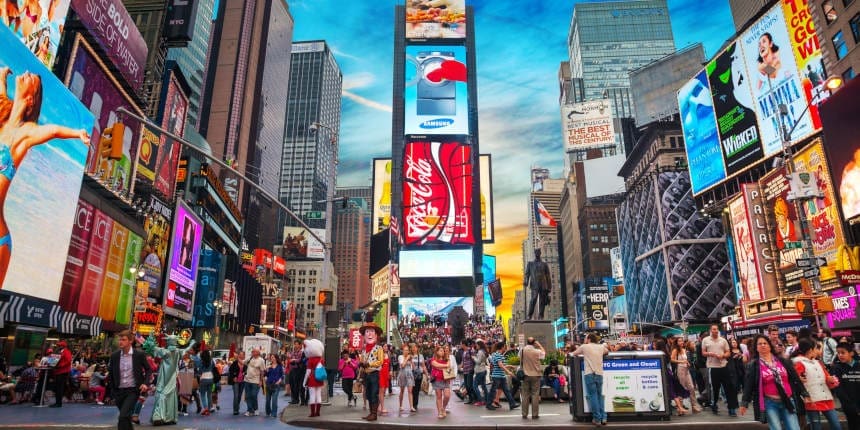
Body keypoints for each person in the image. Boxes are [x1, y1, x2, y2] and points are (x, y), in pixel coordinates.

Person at [0, 69, 90, 286]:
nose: (29, 73)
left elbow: (54, 130)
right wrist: (3, 76)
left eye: (33, 80)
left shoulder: (27, 133)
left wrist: (77, 133)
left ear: (30, 99)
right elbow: (1, 92)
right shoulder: (2, 118)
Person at [739, 335, 808, 430]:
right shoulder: (754, 365)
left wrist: (804, 393)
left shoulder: (783, 361)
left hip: (787, 400)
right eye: (760, 344)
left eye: (765, 343)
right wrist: (744, 403)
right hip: (769, 403)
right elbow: (748, 385)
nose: (763, 345)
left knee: (794, 428)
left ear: (770, 346)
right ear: (756, 347)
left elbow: (795, 378)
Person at [143, 334, 196, 425]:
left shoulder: (165, 352)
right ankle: (169, 417)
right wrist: (191, 344)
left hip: (164, 378)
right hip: (171, 378)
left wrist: (148, 342)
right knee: (170, 396)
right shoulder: (177, 351)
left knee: (161, 394)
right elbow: (186, 350)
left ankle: (158, 416)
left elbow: (153, 349)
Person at [791, 339, 842, 430]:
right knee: (816, 427)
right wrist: (799, 380)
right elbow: (797, 383)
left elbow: (827, 378)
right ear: (811, 350)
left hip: (826, 398)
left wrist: (831, 380)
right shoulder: (799, 363)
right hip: (812, 400)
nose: (819, 351)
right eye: (817, 348)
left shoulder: (818, 363)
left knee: (836, 425)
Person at [108, 330, 152, 430]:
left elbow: (148, 370)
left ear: (130, 341)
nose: (120, 342)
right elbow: (111, 373)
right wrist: (112, 390)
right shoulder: (115, 356)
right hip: (118, 391)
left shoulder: (139, 355)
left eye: (123, 340)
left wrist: (145, 384)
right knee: (126, 417)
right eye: (120, 339)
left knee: (122, 416)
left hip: (132, 391)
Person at [573, 333, 609, 426]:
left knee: (593, 396)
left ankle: (597, 419)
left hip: (590, 374)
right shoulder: (601, 347)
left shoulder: (585, 346)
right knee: (599, 395)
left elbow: (574, 353)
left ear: (588, 339)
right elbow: (607, 351)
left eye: (585, 338)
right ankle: (603, 417)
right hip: (599, 374)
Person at [702, 324, 738, 416]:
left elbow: (728, 353)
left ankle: (732, 408)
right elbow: (703, 353)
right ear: (710, 330)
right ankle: (714, 404)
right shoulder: (705, 340)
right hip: (712, 367)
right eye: (714, 329)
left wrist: (723, 356)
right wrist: (710, 354)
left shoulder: (723, 340)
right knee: (714, 388)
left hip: (724, 366)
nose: (715, 331)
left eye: (717, 329)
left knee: (729, 387)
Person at [830, 342, 859, 430]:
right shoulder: (836, 368)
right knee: (853, 424)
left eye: (843, 352)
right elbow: (838, 388)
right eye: (838, 353)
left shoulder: (858, 365)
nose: (840, 355)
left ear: (851, 353)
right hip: (848, 404)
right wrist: (849, 404)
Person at [359, 322, 384, 421]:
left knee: (374, 393)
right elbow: (363, 360)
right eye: (367, 332)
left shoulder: (379, 348)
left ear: (376, 335)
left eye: (372, 331)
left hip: (374, 374)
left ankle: (374, 414)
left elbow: (380, 361)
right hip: (366, 374)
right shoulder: (365, 349)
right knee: (368, 394)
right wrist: (361, 363)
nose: (369, 334)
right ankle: (371, 413)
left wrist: (369, 364)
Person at [672, 337, 702, 412]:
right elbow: (672, 359)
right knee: (681, 387)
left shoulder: (684, 350)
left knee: (691, 387)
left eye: (682, 341)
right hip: (680, 370)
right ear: (676, 342)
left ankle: (694, 406)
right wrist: (681, 362)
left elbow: (685, 360)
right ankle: (680, 408)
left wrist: (687, 363)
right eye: (679, 341)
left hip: (686, 370)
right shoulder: (675, 350)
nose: (681, 342)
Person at [486, 341, 518, 411]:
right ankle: (489, 404)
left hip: (501, 376)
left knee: (506, 390)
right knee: (493, 391)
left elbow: (500, 365)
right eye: (504, 346)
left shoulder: (497, 354)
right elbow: (500, 365)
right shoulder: (498, 354)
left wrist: (509, 366)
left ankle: (512, 404)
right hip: (497, 376)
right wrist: (509, 372)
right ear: (502, 347)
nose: (505, 348)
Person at [520, 337, 546, 419]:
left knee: (525, 395)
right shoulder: (537, 351)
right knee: (535, 395)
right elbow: (544, 354)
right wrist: (539, 345)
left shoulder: (522, 350)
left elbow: (519, 358)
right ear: (534, 343)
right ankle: (535, 414)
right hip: (535, 375)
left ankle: (524, 414)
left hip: (525, 375)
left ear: (526, 342)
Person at [523, 249, 552, 320]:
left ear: (540, 253)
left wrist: (549, 287)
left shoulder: (544, 264)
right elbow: (527, 274)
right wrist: (526, 281)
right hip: (534, 285)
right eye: (536, 252)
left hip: (543, 285)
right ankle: (529, 315)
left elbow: (548, 276)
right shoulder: (530, 264)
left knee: (542, 301)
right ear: (534, 253)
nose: (537, 253)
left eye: (538, 252)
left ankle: (541, 316)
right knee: (533, 299)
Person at [302, 338, 325, 418]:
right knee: (318, 395)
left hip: (312, 379)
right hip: (319, 378)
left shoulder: (310, 360)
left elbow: (308, 372)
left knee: (312, 395)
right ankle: (318, 412)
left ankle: (312, 413)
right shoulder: (321, 359)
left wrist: (304, 381)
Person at [429, 346, 453, 419]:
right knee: (439, 396)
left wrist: (443, 366)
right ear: (436, 352)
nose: (442, 352)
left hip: (446, 379)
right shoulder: (433, 359)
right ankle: (439, 412)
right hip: (437, 379)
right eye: (440, 351)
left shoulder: (447, 358)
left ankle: (443, 408)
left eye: (443, 351)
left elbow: (448, 365)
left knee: (447, 396)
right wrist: (444, 366)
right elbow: (436, 365)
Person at [243, 348, 266, 416]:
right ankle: (249, 410)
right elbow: (243, 362)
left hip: (256, 381)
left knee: (253, 395)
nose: (252, 352)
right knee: (247, 396)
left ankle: (256, 409)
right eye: (252, 351)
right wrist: (237, 358)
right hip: (247, 380)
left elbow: (262, 371)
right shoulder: (250, 358)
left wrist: (260, 381)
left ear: (257, 353)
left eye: (253, 351)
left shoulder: (261, 360)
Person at [49, 340, 72, 407]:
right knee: (57, 387)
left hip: (62, 371)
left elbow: (68, 361)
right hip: (58, 371)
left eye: (59, 345)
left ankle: (58, 403)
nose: (57, 346)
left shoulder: (66, 352)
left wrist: (60, 365)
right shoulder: (59, 352)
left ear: (62, 346)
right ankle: (57, 402)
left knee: (59, 387)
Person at [264, 353, 284, 418]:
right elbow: (266, 375)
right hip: (268, 384)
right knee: (267, 400)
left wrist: (279, 381)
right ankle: (268, 412)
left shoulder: (280, 366)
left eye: (273, 357)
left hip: (276, 385)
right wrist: (266, 371)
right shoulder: (269, 366)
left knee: (274, 400)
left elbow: (282, 376)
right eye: (271, 357)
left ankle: (274, 413)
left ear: (276, 358)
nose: (272, 358)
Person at [397, 343, 415, 413]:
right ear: (402, 351)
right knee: (402, 391)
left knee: (410, 391)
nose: (406, 351)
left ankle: (411, 407)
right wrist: (407, 358)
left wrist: (411, 361)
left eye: (407, 350)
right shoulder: (400, 357)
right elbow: (402, 366)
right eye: (405, 350)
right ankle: (401, 405)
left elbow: (413, 367)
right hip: (402, 374)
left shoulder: (410, 357)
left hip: (409, 374)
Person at [197, 349, 215, 416]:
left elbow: (200, 371)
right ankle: (210, 408)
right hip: (211, 378)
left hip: (203, 378)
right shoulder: (211, 361)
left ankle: (205, 408)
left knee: (202, 394)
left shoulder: (201, 361)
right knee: (209, 394)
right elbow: (213, 368)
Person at [227, 351, 246, 416]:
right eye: (240, 354)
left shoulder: (245, 363)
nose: (241, 356)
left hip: (242, 381)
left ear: (244, 356)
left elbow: (247, 371)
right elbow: (230, 371)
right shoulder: (235, 363)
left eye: (242, 355)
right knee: (236, 395)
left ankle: (237, 407)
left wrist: (245, 374)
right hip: (236, 382)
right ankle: (235, 410)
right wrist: (234, 377)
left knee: (239, 396)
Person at [287, 340, 305, 405]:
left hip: (298, 370)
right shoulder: (293, 352)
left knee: (297, 385)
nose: (296, 346)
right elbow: (290, 359)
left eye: (297, 344)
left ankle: (297, 399)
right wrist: (292, 359)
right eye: (295, 344)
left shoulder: (301, 352)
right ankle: (294, 399)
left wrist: (294, 360)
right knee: (292, 384)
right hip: (292, 369)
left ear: (300, 345)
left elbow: (299, 360)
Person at [472, 340, 489, 407]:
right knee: (483, 386)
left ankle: (480, 400)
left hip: (479, 371)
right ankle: (487, 399)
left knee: (475, 385)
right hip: (483, 370)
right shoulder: (484, 351)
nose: (476, 346)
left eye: (477, 345)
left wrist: (474, 358)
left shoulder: (480, 352)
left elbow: (478, 361)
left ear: (479, 345)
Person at [409, 342, 425, 411]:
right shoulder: (409, 356)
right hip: (411, 374)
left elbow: (423, 366)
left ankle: (415, 404)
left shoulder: (420, 356)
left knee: (417, 390)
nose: (414, 349)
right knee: (412, 390)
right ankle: (412, 405)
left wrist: (427, 374)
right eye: (412, 347)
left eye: (415, 347)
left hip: (419, 374)